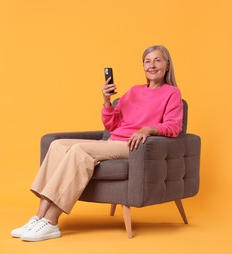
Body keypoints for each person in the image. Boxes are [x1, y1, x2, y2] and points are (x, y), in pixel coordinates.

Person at [11, 45, 183, 242]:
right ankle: (39, 216)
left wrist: (148, 129)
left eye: (157, 60)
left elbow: (173, 126)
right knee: (57, 145)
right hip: (113, 141)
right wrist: (107, 101)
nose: (152, 65)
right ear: (143, 66)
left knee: (79, 151)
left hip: (133, 147)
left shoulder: (172, 93)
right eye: (147, 61)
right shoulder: (134, 91)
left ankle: (51, 222)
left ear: (167, 65)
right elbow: (113, 124)